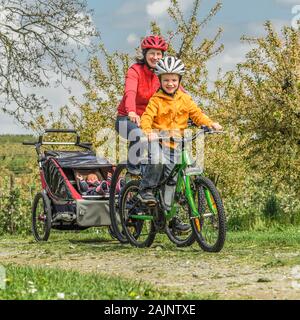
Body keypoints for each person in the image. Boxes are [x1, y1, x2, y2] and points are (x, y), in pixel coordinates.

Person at [139, 56, 222, 205]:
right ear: (160, 80)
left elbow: (197, 115)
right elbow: (146, 117)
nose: (170, 83)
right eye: (166, 80)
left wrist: (210, 124)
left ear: (179, 80)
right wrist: (148, 131)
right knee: (157, 160)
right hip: (158, 141)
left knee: (172, 179)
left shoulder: (185, 99)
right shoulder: (156, 100)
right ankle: (146, 190)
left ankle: (170, 217)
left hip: (175, 143)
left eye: (174, 80)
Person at [115, 35, 168, 175]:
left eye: (159, 54)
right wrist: (131, 111)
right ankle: (133, 171)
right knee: (138, 135)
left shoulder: (163, 74)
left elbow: (180, 91)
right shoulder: (135, 71)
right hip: (126, 118)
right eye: (152, 53)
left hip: (149, 121)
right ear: (145, 54)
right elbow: (130, 92)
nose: (155, 57)